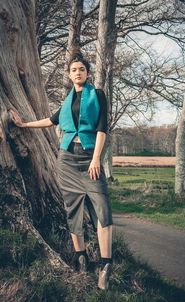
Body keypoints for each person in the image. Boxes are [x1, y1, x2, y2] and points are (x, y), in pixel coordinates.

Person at [11, 53, 113, 290]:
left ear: (87, 73)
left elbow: (102, 128)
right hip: (66, 160)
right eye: (74, 69)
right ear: (69, 74)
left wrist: (96, 158)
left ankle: (106, 265)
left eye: (82, 69)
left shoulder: (97, 96)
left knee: (102, 208)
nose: (78, 72)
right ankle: (81, 258)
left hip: (89, 158)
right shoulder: (67, 101)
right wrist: (24, 124)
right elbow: (50, 120)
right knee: (72, 209)